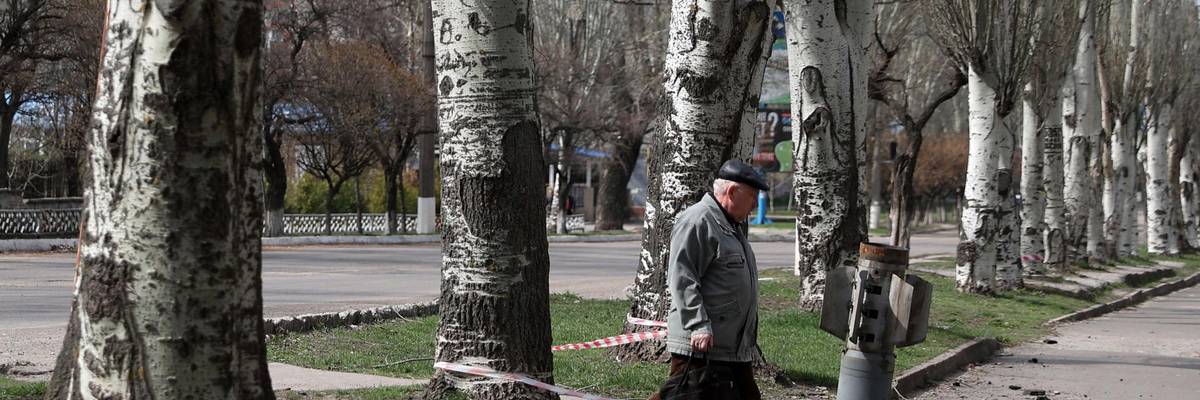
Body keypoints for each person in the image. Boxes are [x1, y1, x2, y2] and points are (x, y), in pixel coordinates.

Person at [651, 159, 768, 400]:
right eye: (752, 196)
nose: (755, 204)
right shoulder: (698, 220)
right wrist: (698, 325)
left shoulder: (729, 224)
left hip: (731, 348)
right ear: (733, 192)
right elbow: (683, 277)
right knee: (680, 395)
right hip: (701, 346)